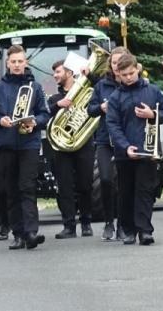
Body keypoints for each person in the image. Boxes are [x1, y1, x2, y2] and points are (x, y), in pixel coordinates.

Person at [0, 45, 50, 250]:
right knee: (9, 189)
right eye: (14, 62)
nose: (18, 65)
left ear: (26, 63)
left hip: (28, 143)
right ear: (8, 64)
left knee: (27, 187)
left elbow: (45, 114)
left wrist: (34, 122)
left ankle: (31, 232)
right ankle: (18, 233)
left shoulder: (36, 88)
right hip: (4, 144)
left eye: (21, 61)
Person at [106, 53, 163, 246]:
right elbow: (113, 125)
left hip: (148, 150)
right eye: (124, 74)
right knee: (126, 192)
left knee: (145, 191)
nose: (128, 77)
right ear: (118, 74)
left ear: (138, 69)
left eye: (131, 73)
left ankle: (145, 230)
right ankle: (128, 230)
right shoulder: (115, 97)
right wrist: (126, 147)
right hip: (125, 153)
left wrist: (152, 114)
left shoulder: (153, 91)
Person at [48, 60, 95, 239]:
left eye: (58, 72)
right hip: (62, 147)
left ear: (69, 72)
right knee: (65, 186)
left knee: (85, 184)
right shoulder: (54, 99)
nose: (55, 76)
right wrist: (57, 106)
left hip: (84, 144)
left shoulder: (86, 92)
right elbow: (44, 116)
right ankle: (69, 226)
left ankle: (86, 223)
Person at [87, 46, 129, 241]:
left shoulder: (131, 84)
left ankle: (122, 223)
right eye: (114, 63)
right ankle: (108, 222)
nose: (117, 67)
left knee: (123, 183)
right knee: (105, 179)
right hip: (104, 139)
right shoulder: (101, 86)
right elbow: (91, 110)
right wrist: (101, 107)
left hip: (125, 139)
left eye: (121, 63)